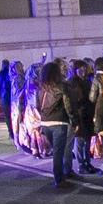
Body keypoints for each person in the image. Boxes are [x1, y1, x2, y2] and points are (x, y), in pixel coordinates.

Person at [35, 57, 75, 189]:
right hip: (59, 122)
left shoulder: (41, 88)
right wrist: (73, 120)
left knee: (56, 151)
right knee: (59, 152)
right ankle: (59, 178)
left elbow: (38, 105)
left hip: (45, 123)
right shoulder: (62, 86)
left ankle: (60, 176)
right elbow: (68, 105)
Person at [66, 59, 98, 173]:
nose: (83, 71)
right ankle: (81, 164)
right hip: (79, 114)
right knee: (80, 140)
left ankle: (87, 162)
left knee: (87, 139)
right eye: (80, 69)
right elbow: (72, 101)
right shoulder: (72, 83)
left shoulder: (87, 81)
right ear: (75, 70)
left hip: (88, 113)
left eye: (85, 68)